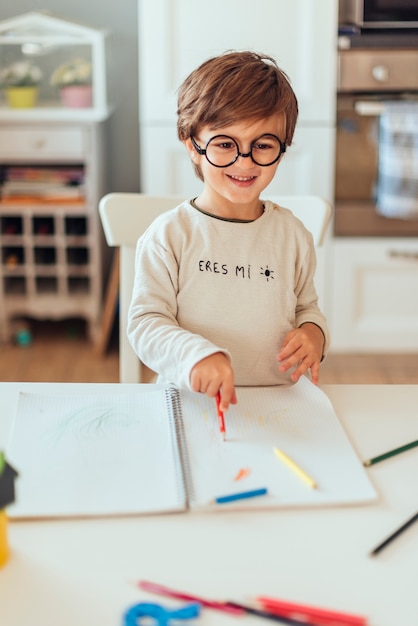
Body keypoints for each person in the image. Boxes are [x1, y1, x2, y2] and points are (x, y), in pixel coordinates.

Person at [127, 50, 330, 412]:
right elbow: (145, 323)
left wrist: (314, 334)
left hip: (280, 404)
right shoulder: (170, 235)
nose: (245, 161)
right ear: (192, 144)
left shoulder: (293, 235)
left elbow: (306, 307)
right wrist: (195, 356)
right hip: (190, 402)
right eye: (225, 144)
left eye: (263, 145)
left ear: (282, 151)